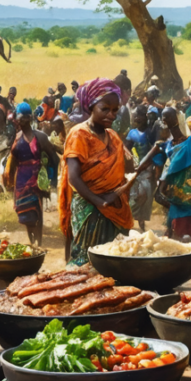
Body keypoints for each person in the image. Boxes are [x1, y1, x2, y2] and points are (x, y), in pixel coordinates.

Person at [59, 78, 134, 265]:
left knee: (115, 260)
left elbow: (126, 171)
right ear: (91, 106)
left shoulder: (113, 137)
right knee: (87, 261)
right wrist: (99, 201)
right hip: (89, 209)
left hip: (114, 207)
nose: (111, 115)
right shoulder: (79, 135)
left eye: (115, 110)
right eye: (105, 109)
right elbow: (74, 178)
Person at [154, 110, 191, 245]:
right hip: (177, 198)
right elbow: (167, 167)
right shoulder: (169, 145)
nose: (164, 120)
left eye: (168, 117)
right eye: (163, 118)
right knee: (177, 241)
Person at [5, 102, 58, 246]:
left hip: (36, 179)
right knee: (25, 212)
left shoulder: (40, 137)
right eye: (19, 117)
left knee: (37, 211)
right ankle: (32, 241)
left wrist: (51, 180)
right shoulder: (17, 138)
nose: (22, 120)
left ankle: (38, 243)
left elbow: (54, 158)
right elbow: (13, 160)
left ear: (29, 118)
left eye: (25, 117)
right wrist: (9, 180)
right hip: (21, 180)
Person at [125, 106, 156, 231]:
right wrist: (130, 163)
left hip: (148, 168)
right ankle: (129, 221)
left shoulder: (151, 133)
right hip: (135, 168)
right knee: (134, 194)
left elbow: (155, 151)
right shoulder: (132, 133)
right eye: (135, 116)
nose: (137, 118)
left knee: (146, 194)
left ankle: (141, 221)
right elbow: (126, 149)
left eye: (140, 116)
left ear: (145, 117)